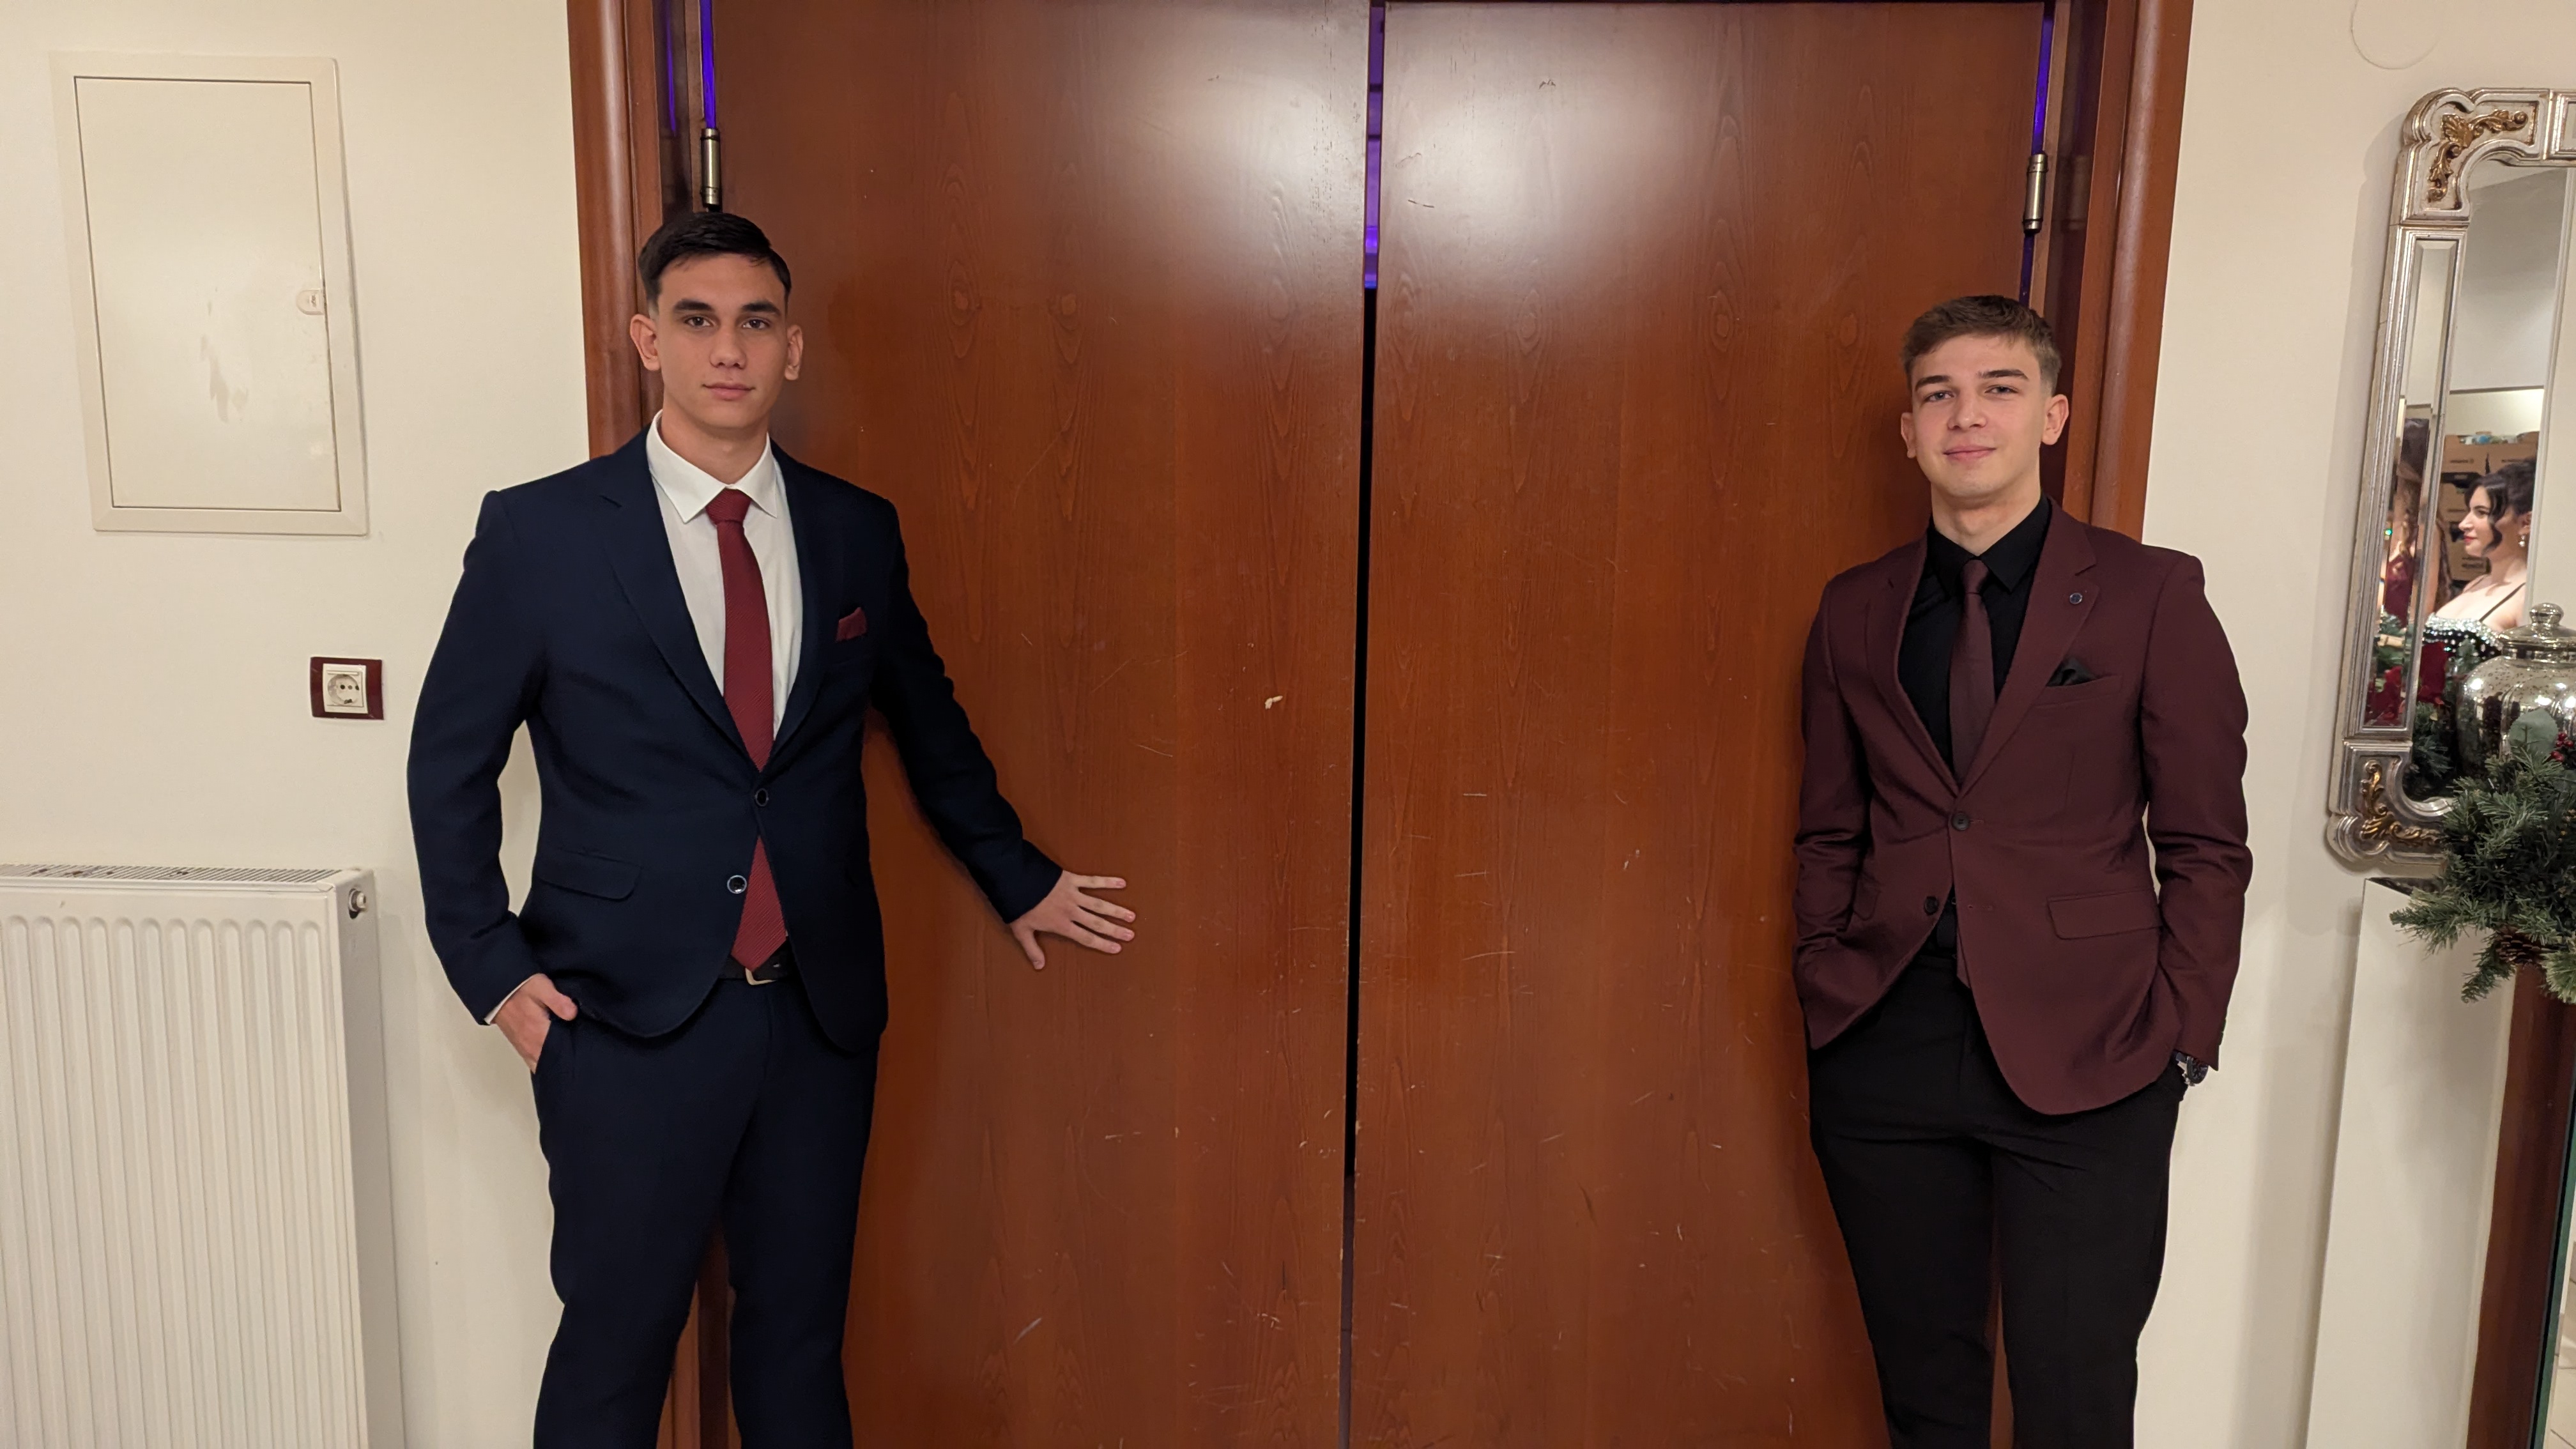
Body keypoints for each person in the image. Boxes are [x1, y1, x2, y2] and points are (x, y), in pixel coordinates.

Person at [408, 210, 1136, 1447]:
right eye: (696, 321)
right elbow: (448, 763)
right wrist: (494, 971)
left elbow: (927, 721)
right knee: (615, 1347)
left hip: (814, 1013)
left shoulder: (855, 529)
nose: (728, 349)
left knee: (798, 1343)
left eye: (755, 322)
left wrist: (1016, 874)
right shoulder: (541, 534)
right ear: (649, 340)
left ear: (792, 347)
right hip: (619, 1016)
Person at [1791, 295, 2251, 1447]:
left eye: (1998, 388)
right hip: (1885, 1043)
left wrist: (2183, 1035)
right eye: (1938, 394)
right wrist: (1823, 978)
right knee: (1924, 1397)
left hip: (2095, 1048)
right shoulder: (1852, 609)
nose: (1966, 415)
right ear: (1908, 430)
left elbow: (2204, 840)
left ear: (2050, 416)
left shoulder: (2153, 594)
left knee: (2075, 1397)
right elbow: (1828, 828)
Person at [2431, 457, 2534, 633]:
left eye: (2481, 513)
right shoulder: (2476, 584)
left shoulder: (2527, 596)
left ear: (2525, 523)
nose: (2464, 524)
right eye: (2469, 511)